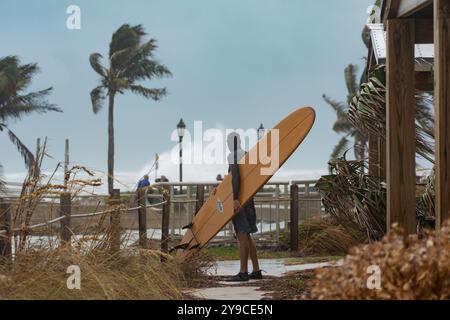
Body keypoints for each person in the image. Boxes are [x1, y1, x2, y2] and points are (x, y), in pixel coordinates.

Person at [224, 132, 262, 282]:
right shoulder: (247, 154)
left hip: (239, 200)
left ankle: (243, 272)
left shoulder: (233, 155)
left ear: (230, 143)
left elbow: (235, 177)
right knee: (247, 235)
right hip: (248, 199)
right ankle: (256, 270)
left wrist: (234, 199)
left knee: (241, 234)